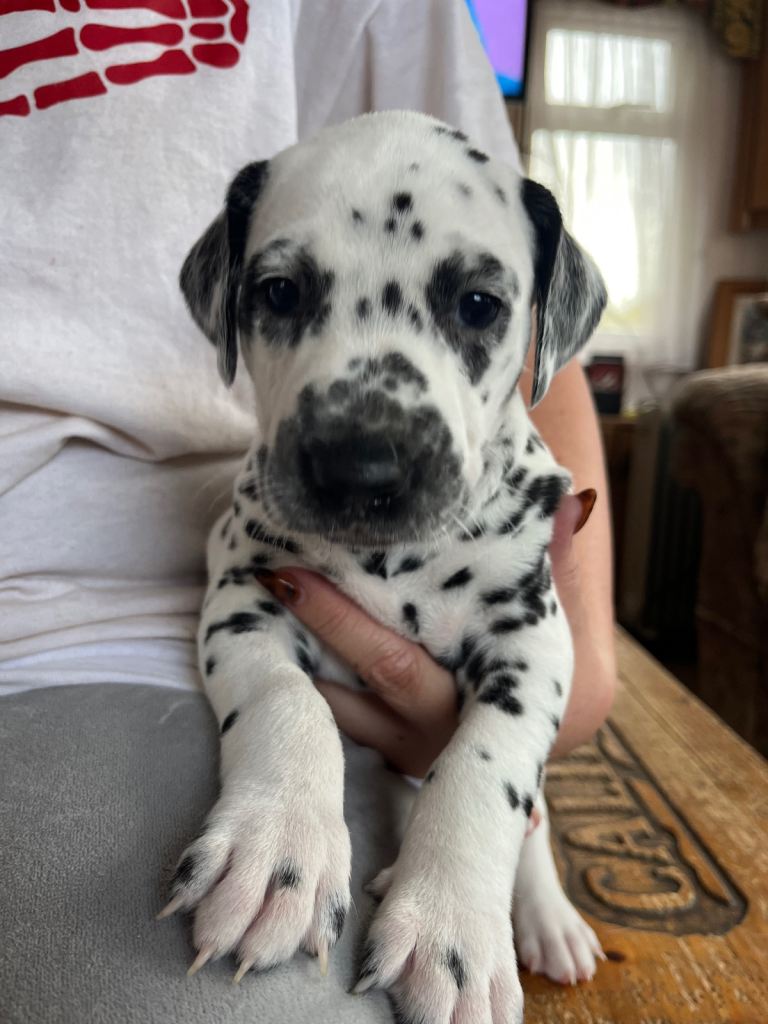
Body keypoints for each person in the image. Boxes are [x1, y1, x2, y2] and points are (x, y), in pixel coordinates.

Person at [0, 0, 615, 1020]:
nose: (368, 431)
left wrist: (475, 838)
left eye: (471, 307)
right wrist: (288, 751)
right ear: (229, 308)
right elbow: (244, 607)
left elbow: (542, 662)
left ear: (538, 330)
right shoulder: (259, 502)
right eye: (285, 298)